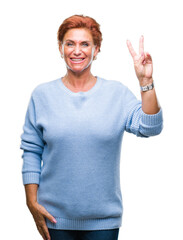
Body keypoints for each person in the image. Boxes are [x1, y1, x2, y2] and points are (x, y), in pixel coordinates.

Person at [20, 14, 163, 240]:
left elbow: (150, 127)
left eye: (85, 44)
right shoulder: (42, 95)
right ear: (61, 48)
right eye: (70, 44)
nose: (77, 51)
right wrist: (31, 202)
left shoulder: (116, 94)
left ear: (96, 50)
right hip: (54, 220)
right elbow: (31, 151)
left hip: (103, 223)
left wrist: (146, 83)